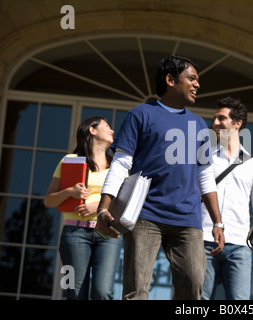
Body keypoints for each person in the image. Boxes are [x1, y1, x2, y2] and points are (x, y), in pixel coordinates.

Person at [94, 56, 225, 300]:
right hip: (144, 215)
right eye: (192, 79)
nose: (197, 85)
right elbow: (121, 164)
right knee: (136, 290)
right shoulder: (140, 115)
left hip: (187, 218)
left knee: (193, 286)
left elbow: (205, 175)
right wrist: (104, 208)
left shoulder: (199, 125)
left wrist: (217, 222)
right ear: (170, 80)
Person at [44, 116, 122, 300]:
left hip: (107, 233)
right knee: (74, 292)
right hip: (73, 234)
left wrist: (98, 207)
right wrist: (69, 192)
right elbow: (49, 200)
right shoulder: (70, 161)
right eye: (107, 126)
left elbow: (125, 201)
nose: (112, 130)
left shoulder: (117, 166)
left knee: (103, 292)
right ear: (92, 130)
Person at [201, 96, 253, 300]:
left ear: (237, 123)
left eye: (221, 118)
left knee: (240, 302)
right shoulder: (204, 158)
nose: (215, 123)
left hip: (239, 243)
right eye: (215, 118)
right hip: (204, 240)